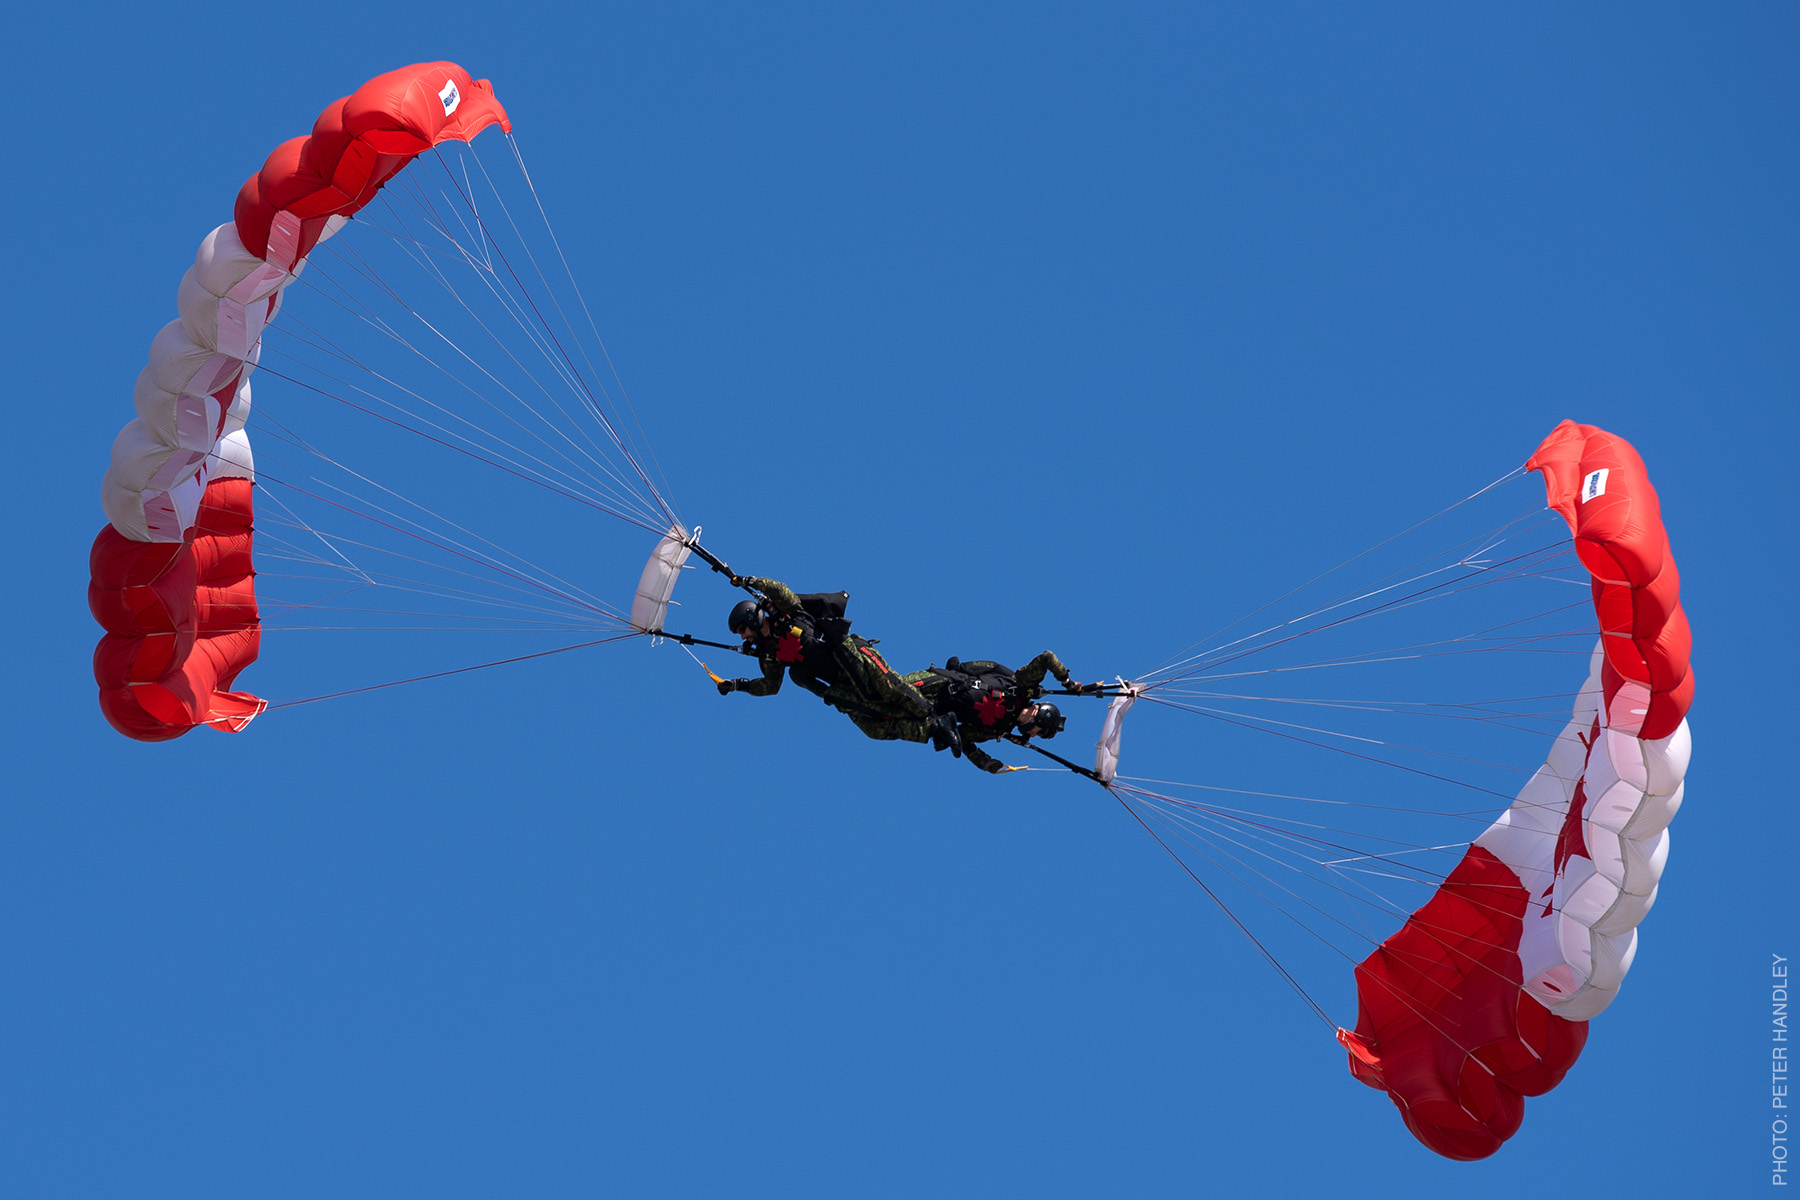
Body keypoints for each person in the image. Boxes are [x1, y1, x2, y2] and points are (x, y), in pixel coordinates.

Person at [714, 576, 941, 732]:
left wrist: (750, 582)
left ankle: (936, 705)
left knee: (889, 688)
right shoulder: (771, 655)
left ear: (753, 617)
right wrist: (737, 685)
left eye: (742, 630)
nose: (743, 637)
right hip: (842, 685)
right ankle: (934, 727)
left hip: (853, 657)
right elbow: (771, 687)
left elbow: (780, 590)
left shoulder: (789, 614)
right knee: (872, 724)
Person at [853, 652, 1100, 774]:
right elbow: (1047, 658)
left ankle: (837, 694)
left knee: (873, 727)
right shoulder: (1020, 686)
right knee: (885, 690)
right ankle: (856, 651)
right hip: (938, 683)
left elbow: (964, 739)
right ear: (1041, 717)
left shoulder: (997, 730)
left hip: (931, 711)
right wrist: (1070, 684)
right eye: (1039, 732)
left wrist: (991, 766)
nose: (1033, 736)